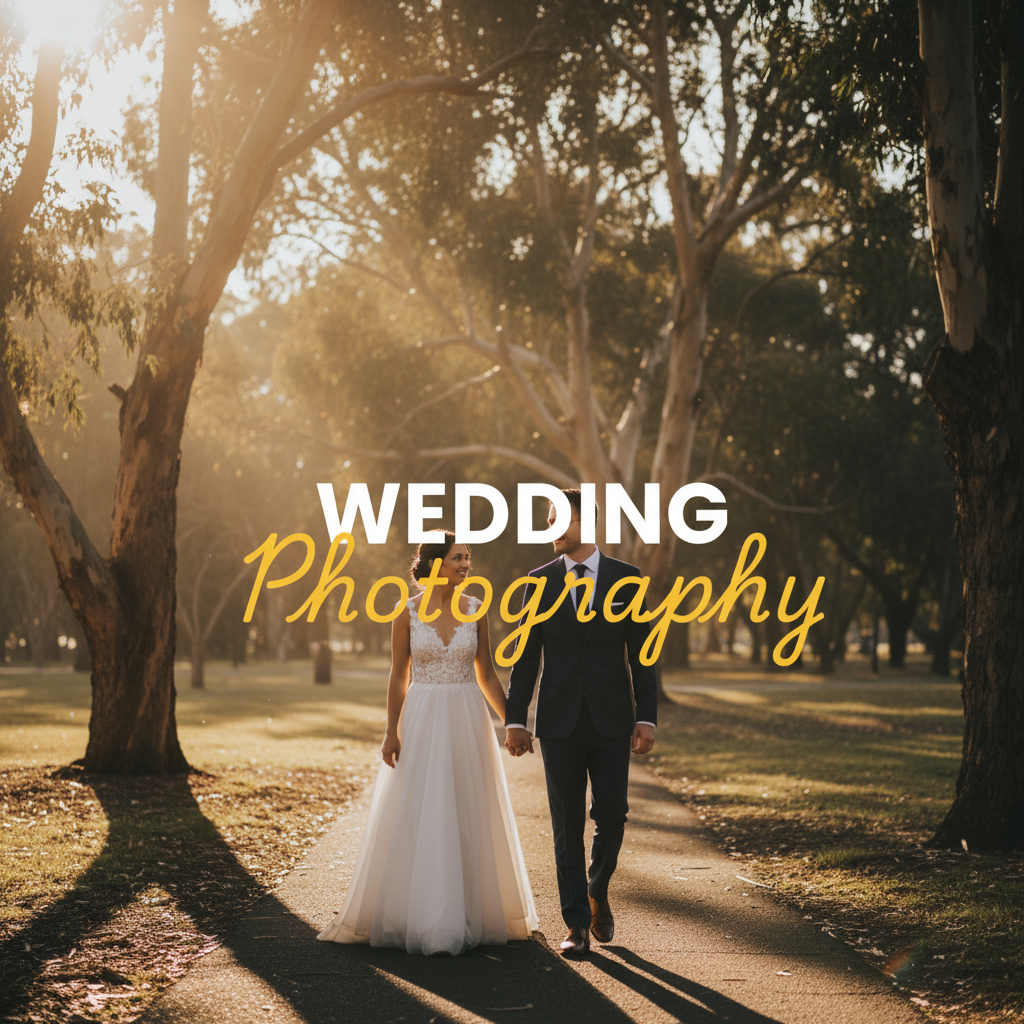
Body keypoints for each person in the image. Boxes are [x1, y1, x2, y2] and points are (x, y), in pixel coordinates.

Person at [317, 533, 539, 955]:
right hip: (420, 719)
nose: (466, 565)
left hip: (466, 718)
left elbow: (487, 674)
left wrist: (513, 722)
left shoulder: (476, 609)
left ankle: (467, 911)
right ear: (436, 562)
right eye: (459, 558)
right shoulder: (406, 614)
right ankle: (420, 915)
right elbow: (398, 676)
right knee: (421, 811)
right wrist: (390, 730)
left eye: (468, 558)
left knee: (467, 810)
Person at [504, 489, 657, 956]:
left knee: (612, 816)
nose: (550, 528)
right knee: (566, 824)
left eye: (557, 519)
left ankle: (596, 889)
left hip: (613, 720)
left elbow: (643, 656)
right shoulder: (538, 582)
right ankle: (575, 926)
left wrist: (647, 716)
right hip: (558, 722)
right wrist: (515, 719)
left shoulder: (626, 578)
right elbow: (526, 658)